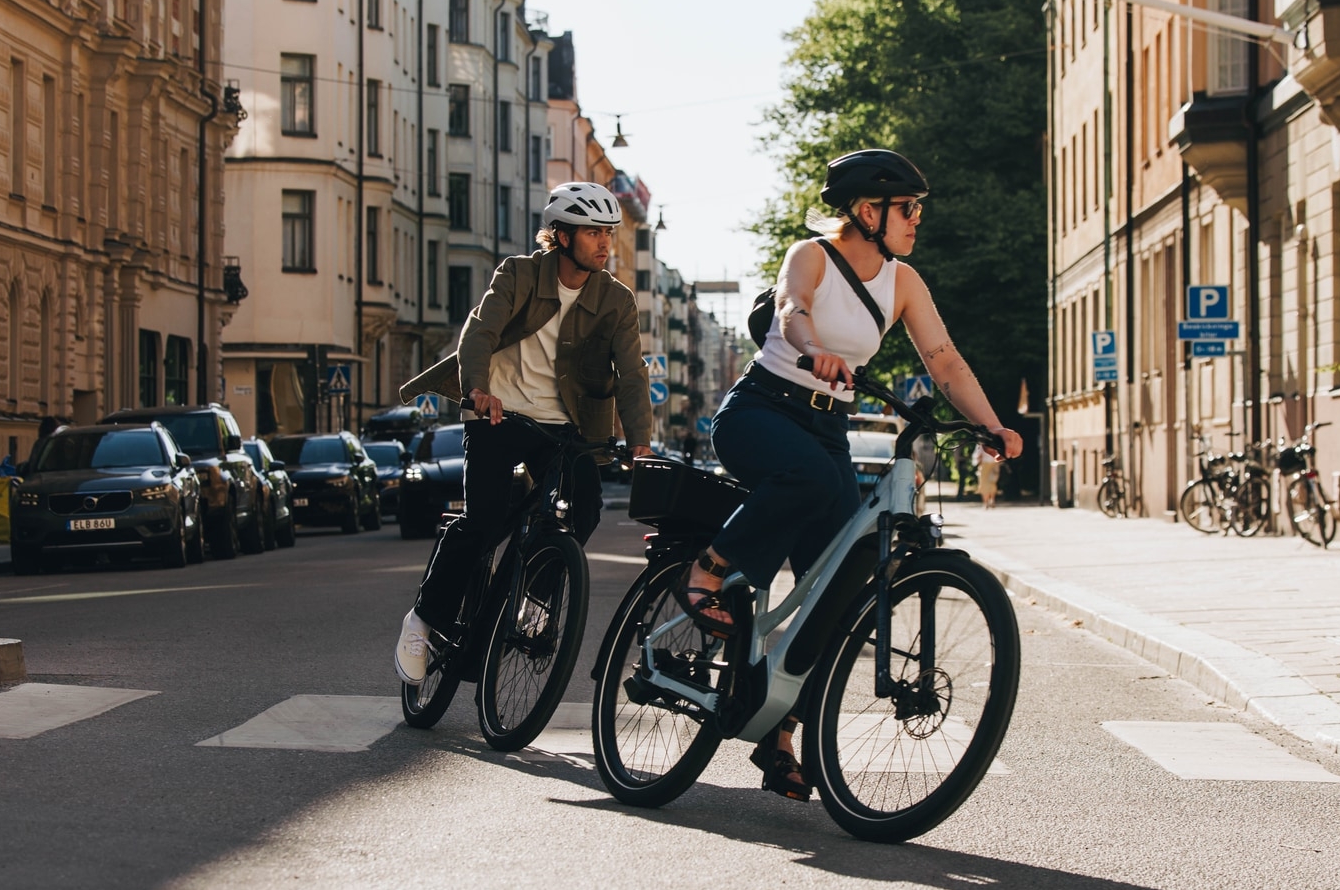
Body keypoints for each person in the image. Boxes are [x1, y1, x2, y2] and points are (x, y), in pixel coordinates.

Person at [683, 149, 1024, 799]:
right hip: (762, 412)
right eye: (909, 209)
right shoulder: (809, 255)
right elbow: (792, 311)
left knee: (845, 579)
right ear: (869, 211)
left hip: (826, 432)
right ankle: (711, 565)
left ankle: (779, 733)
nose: (917, 219)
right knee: (808, 481)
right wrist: (816, 353)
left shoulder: (903, 282)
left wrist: (992, 424)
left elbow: (944, 360)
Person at [393, 183, 656, 684]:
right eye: (593, 233)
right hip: (499, 413)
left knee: (586, 509)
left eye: (609, 233)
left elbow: (632, 372)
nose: (605, 244)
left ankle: (534, 596)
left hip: (566, 426)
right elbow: (480, 334)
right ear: (560, 236)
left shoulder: (616, 300)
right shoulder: (518, 274)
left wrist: (639, 439)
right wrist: (478, 390)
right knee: (483, 520)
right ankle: (423, 620)